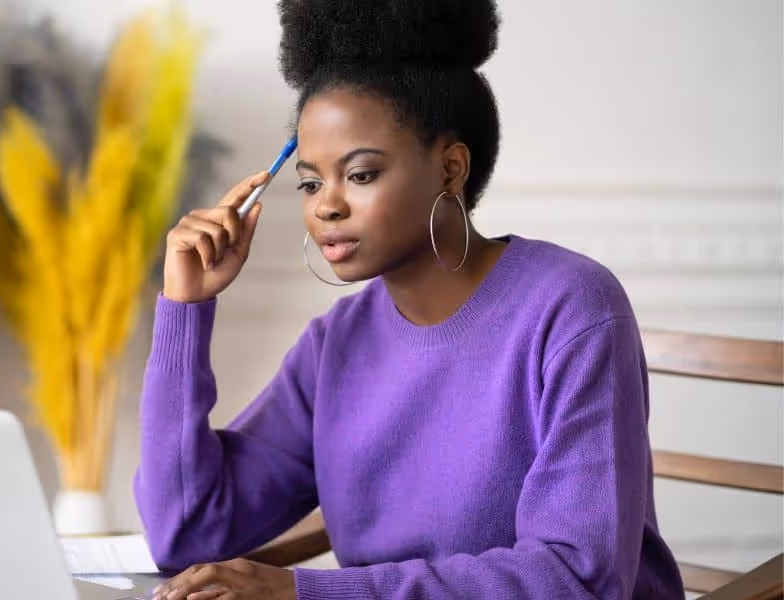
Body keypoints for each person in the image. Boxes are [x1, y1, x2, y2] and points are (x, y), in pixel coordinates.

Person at [134, 1, 685, 598]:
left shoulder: (571, 309)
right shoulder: (337, 344)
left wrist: (305, 593)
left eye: (361, 174)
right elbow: (184, 531)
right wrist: (182, 308)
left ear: (450, 169)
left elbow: (577, 578)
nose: (326, 206)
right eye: (312, 182)